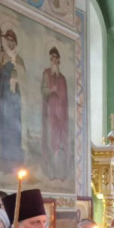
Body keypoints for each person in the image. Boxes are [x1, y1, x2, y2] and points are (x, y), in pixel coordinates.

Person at [0, 28, 26, 169]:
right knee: (5, 127)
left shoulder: (19, 59)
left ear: (15, 42)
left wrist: (16, 72)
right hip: (5, 97)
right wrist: (1, 69)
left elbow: (23, 79)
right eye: (7, 40)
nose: (9, 43)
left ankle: (16, 160)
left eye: (12, 40)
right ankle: (5, 160)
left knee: (15, 128)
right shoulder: (1, 55)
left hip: (15, 99)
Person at [41, 47, 70, 181]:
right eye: (51, 57)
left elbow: (65, 99)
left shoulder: (62, 79)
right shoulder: (46, 74)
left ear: (59, 60)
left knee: (60, 145)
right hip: (51, 113)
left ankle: (61, 174)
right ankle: (51, 173)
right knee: (51, 144)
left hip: (61, 116)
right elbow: (43, 90)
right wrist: (50, 90)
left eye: (56, 57)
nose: (54, 60)